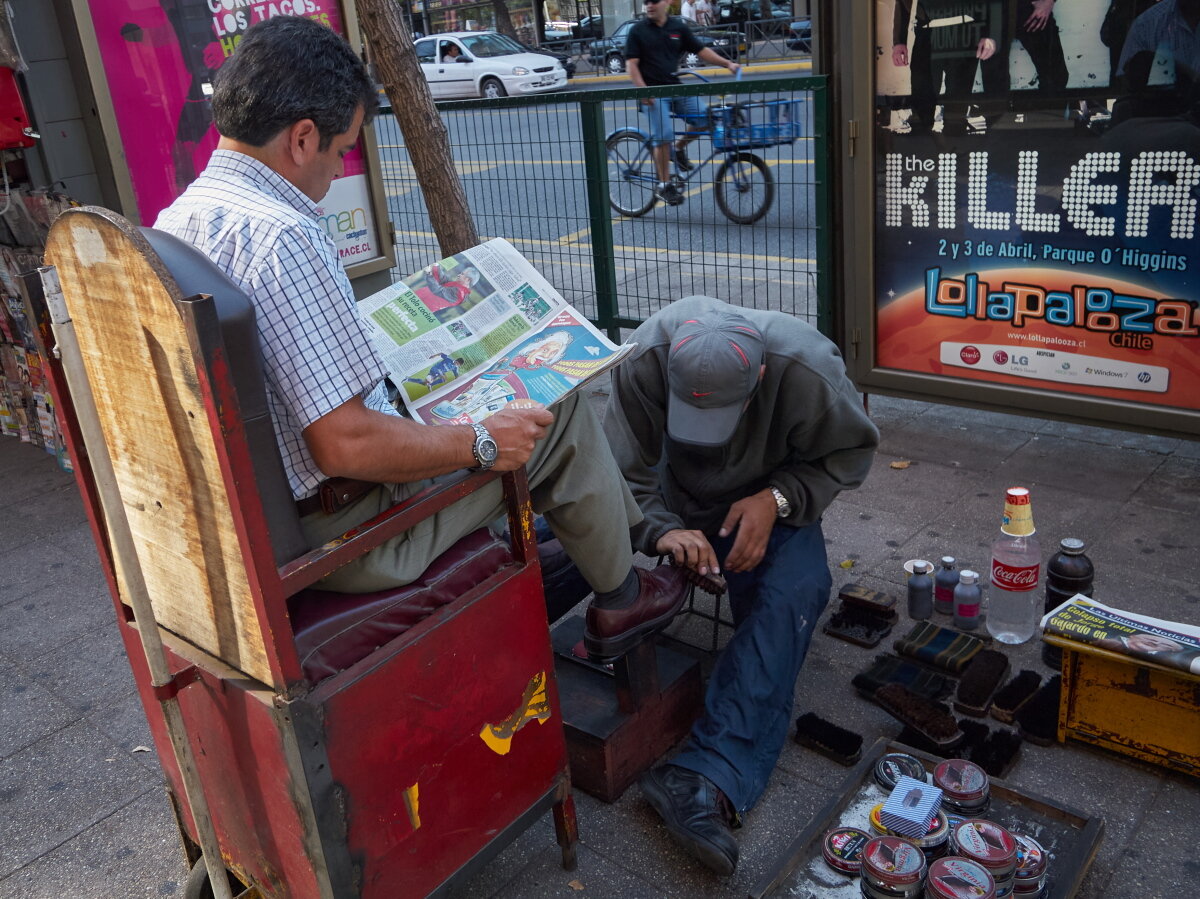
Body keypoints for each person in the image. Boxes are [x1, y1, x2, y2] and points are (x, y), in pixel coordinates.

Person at [154, 15, 691, 658]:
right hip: (353, 532)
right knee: (557, 411)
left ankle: (614, 537)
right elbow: (345, 445)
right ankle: (622, 600)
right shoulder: (285, 237)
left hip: (258, 512)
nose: (336, 169)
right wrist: (484, 440)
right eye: (341, 149)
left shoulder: (180, 215)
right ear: (302, 138)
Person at [603, 296, 879, 874]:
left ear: (758, 377)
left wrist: (777, 502)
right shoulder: (648, 357)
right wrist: (662, 532)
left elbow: (849, 456)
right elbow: (621, 471)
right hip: (672, 493)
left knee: (794, 593)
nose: (705, 435)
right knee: (557, 531)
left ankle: (706, 775)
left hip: (768, 494)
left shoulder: (807, 370)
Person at [625, 0, 741, 205]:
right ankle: (664, 186)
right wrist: (642, 89)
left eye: (654, 1)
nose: (649, 5)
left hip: (675, 87)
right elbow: (631, 64)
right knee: (664, 135)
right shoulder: (637, 30)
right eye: (646, 2)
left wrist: (728, 64)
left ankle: (677, 150)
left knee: (706, 118)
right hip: (652, 92)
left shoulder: (677, 27)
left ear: (667, 2)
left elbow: (701, 50)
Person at [892, 0, 999, 134]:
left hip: (963, 31)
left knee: (958, 96)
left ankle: (955, 140)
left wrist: (990, 33)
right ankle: (923, 143)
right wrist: (899, 41)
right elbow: (903, 2)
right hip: (927, 31)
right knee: (923, 94)